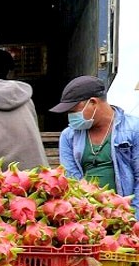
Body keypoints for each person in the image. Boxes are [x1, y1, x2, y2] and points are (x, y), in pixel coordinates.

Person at [53, 75, 139, 217]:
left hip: (127, 214)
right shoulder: (68, 137)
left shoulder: (134, 129)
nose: (70, 116)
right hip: (88, 217)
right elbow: (73, 181)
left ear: (93, 102)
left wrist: (133, 219)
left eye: (73, 111)